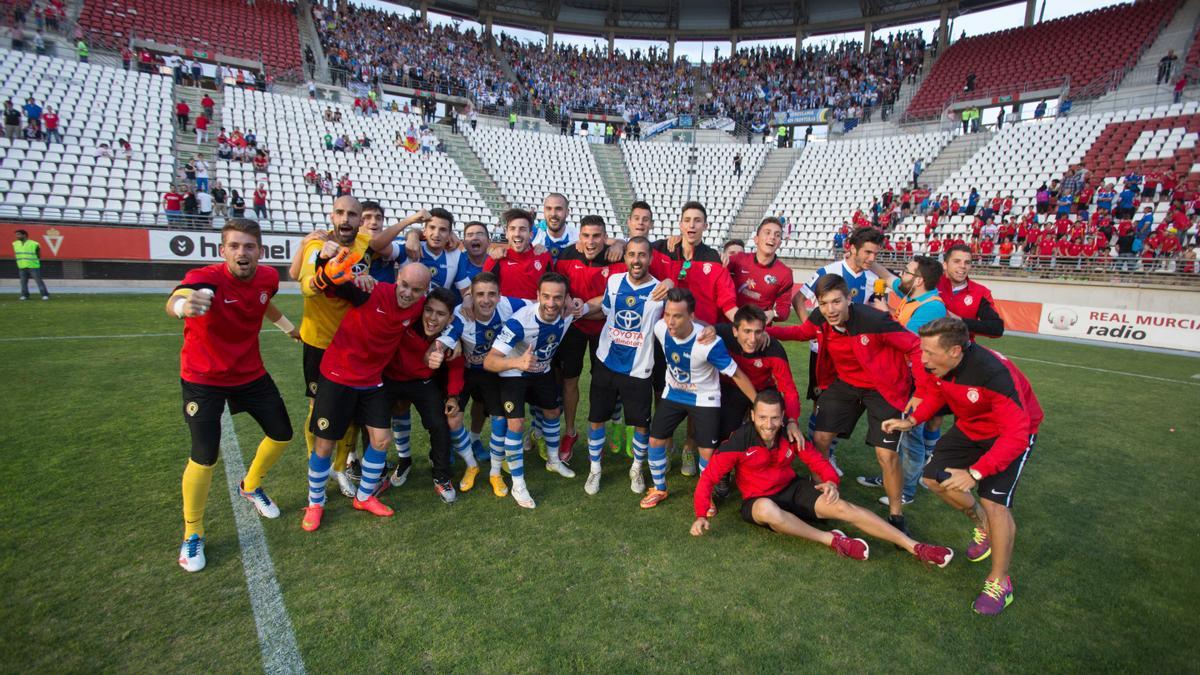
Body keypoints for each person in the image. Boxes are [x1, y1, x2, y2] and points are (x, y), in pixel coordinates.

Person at [882, 317, 1042, 615]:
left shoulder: (994, 374)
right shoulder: (938, 366)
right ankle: (981, 524)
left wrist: (975, 473)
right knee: (932, 478)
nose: (923, 358)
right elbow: (935, 394)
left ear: (955, 351)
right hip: (971, 428)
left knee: (995, 503)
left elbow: (1016, 434)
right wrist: (912, 420)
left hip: (1011, 435)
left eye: (929, 353)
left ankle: (999, 581)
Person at [166, 218, 299, 571]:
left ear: (260, 251)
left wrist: (288, 328)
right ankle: (192, 533)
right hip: (203, 378)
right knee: (204, 456)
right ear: (222, 250)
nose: (243, 252)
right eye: (235, 246)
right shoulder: (204, 279)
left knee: (282, 433)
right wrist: (184, 306)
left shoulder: (268, 277)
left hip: (249, 373)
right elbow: (177, 297)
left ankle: (250, 484)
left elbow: (264, 302)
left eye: (250, 246)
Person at [690, 392, 954, 567]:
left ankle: (916, 547)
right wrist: (701, 514)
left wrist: (830, 481)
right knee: (768, 510)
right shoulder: (738, 441)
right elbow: (708, 478)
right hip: (757, 500)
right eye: (762, 418)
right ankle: (832, 540)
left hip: (792, 489)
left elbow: (819, 463)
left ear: (783, 418)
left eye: (774, 418)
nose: (768, 424)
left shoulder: (791, 436)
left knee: (842, 507)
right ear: (752, 416)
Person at [767, 274, 928, 534]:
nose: (830, 310)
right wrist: (766, 331)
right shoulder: (821, 319)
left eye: (836, 302)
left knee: (886, 455)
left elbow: (916, 347)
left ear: (849, 299)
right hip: (846, 384)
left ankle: (897, 515)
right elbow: (800, 332)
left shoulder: (874, 320)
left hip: (883, 389)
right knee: (820, 436)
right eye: (823, 303)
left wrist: (920, 391)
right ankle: (822, 499)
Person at [301, 260, 432, 532]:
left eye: (416, 290)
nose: (408, 293)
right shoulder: (369, 290)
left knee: (381, 441)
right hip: (337, 376)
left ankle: (364, 497)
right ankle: (315, 503)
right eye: (404, 285)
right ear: (397, 278)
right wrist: (330, 264)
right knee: (325, 444)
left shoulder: (421, 306)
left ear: (425, 291)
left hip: (372, 382)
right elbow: (328, 284)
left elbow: (444, 314)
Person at [641, 288, 757, 509]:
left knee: (706, 452)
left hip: (704, 397)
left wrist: (757, 403)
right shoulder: (660, 328)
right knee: (655, 440)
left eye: (678, 316)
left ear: (691, 316)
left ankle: (706, 495)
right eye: (667, 314)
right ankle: (659, 488)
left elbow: (737, 375)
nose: (670, 322)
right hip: (673, 393)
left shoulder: (709, 344)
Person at [577, 236, 671, 494]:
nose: (636, 260)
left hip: (639, 368)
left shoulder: (660, 291)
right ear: (626, 257)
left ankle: (636, 468)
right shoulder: (614, 281)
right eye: (631, 254)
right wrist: (581, 309)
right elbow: (606, 310)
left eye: (642, 255)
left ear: (650, 258)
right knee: (596, 418)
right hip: (606, 361)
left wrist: (672, 285)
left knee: (640, 423)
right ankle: (594, 469)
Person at [483, 273, 581, 509]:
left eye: (557, 298)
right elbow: (489, 361)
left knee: (552, 412)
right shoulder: (519, 323)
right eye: (545, 296)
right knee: (515, 424)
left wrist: (578, 303)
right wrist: (516, 363)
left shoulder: (567, 314)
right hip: (514, 373)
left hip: (542, 371)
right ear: (537, 296)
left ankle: (554, 461)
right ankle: (518, 484)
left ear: (565, 298)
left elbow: (596, 305)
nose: (551, 303)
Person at [856, 255, 947, 506]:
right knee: (895, 430)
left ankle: (906, 489)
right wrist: (868, 261)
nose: (901, 275)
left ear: (918, 280)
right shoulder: (913, 293)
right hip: (900, 376)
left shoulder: (932, 306)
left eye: (906, 272)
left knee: (911, 435)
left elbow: (907, 339)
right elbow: (889, 278)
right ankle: (890, 477)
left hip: (919, 381)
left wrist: (885, 314)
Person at [793, 226, 883, 473]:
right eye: (867, 253)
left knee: (840, 405)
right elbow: (798, 299)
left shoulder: (875, 281)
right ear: (851, 248)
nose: (871, 259)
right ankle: (820, 456)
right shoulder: (828, 272)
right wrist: (812, 330)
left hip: (852, 357)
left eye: (875, 254)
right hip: (823, 353)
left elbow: (877, 315)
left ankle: (827, 454)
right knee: (821, 403)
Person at [439, 272, 528, 497]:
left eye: (491, 294)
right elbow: (445, 338)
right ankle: (471, 465)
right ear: (471, 295)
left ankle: (495, 473)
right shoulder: (461, 313)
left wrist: (568, 302)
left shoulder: (509, 305)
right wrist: (446, 347)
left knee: (500, 420)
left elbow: (539, 303)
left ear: (500, 296)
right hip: (464, 372)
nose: (486, 300)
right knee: (453, 417)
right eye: (480, 294)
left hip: (492, 373)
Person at [381, 287, 466, 502]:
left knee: (439, 424)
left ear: (450, 318)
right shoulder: (408, 320)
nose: (432, 318)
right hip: (391, 377)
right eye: (429, 310)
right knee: (376, 421)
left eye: (440, 314)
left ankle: (441, 476)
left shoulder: (450, 336)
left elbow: (456, 367)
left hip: (422, 382)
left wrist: (453, 396)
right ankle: (394, 465)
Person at [726, 218, 793, 324]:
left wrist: (773, 313)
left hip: (758, 331)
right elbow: (715, 271)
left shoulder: (785, 273)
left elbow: (784, 309)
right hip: (731, 324)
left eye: (777, 235)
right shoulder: (739, 259)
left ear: (780, 243)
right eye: (767, 233)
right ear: (756, 239)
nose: (772, 237)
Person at [12, 229, 49, 300]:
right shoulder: (15, 243)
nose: (16, 236)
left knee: (38, 281)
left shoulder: (34, 244)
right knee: (23, 282)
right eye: (16, 234)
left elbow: (38, 255)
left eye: (18, 234)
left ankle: (44, 295)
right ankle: (25, 295)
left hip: (33, 266)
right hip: (21, 266)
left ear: (24, 235)